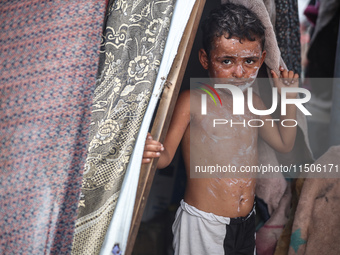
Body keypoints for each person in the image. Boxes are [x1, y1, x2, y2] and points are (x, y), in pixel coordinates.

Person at [142, 3, 299, 254]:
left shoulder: (254, 103)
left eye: (249, 61)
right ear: (205, 59)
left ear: (261, 59)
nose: (239, 72)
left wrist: (289, 99)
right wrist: (151, 151)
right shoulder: (193, 101)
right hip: (204, 224)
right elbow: (165, 158)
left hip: (246, 223)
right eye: (226, 61)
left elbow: (284, 144)